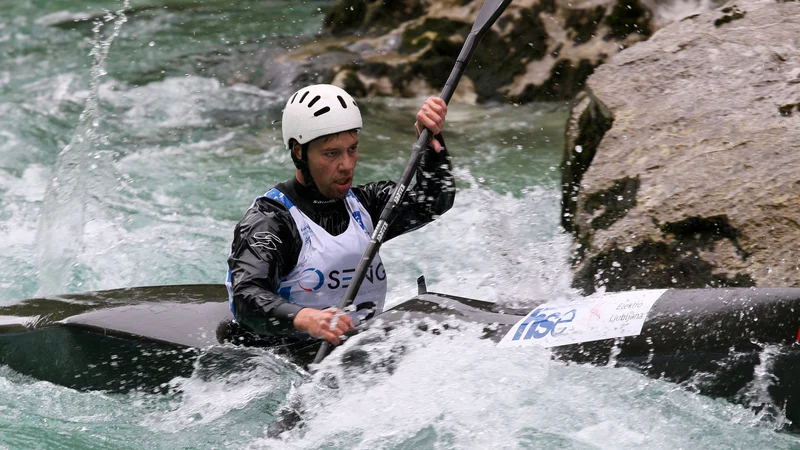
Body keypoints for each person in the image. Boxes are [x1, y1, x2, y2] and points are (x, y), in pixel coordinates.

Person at [226, 84, 455, 347]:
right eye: (331, 153)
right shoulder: (272, 220)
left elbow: (434, 202)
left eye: (352, 149)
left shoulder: (368, 204)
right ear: (299, 152)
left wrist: (433, 144)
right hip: (289, 356)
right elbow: (246, 297)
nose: (346, 165)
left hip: (357, 354)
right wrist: (305, 318)